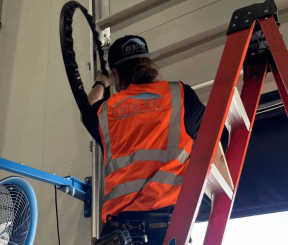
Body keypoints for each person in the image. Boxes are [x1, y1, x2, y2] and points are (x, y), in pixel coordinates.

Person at [81, 35, 205, 244]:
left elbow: (86, 111)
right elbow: (217, 142)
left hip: (118, 231)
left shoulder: (106, 112)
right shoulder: (181, 94)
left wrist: (102, 82)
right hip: (168, 227)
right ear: (148, 63)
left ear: (116, 73)